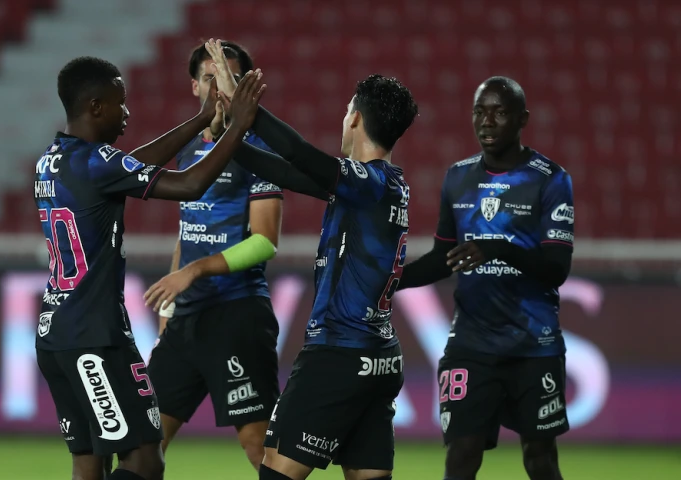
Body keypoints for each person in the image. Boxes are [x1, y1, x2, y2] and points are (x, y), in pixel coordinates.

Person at [153, 57, 416, 479]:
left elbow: (295, 153)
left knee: (274, 472)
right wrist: (231, 137)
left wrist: (244, 107)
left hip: (338, 353)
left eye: (348, 109)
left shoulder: (364, 182)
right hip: (379, 360)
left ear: (356, 119)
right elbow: (286, 171)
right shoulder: (388, 183)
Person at [33, 56, 266, 480]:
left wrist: (200, 121)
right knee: (144, 460)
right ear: (96, 107)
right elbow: (190, 185)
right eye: (120, 103)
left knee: (89, 462)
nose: (127, 112)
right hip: (95, 339)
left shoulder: (52, 161)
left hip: (55, 335)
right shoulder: (98, 164)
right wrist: (237, 126)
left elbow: (131, 165)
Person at [396, 76, 574, 480]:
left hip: (534, 345)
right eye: (480, 111)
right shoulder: (457, 177)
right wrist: (393, 281)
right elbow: (445, 258)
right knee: (461, 455)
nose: (487, 121)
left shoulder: (550, 179)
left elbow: (556, 269)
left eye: (499, 111)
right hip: (471, 344)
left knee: (540, 460)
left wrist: (497, 247)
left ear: (522, 118)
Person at [141, 39, 287, 471]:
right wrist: (170, 300)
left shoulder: (259, 152)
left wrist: (195, 271)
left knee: (258, 445)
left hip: (238, 316)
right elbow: (187, 234)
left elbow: (265, 241)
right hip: (186, 321)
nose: (221, 86)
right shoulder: (186, 147)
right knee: (144, 442)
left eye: (232, 78)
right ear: (194, 86)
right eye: (211, 76)